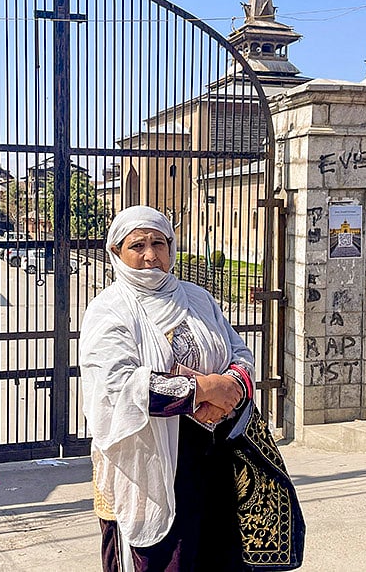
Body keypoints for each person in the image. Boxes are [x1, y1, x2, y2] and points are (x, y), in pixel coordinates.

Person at [79, 205, 256, 572]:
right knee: (162, 559)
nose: (150, 255)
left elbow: (239, 351)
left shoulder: (197, 298)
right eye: (137, 245)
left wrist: (231, 387)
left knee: (214, 551)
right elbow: (119, 384)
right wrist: (204, 389)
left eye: (159, 243)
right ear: (116, 252)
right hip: (146, 458)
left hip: (209, 452)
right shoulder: (108, 310)